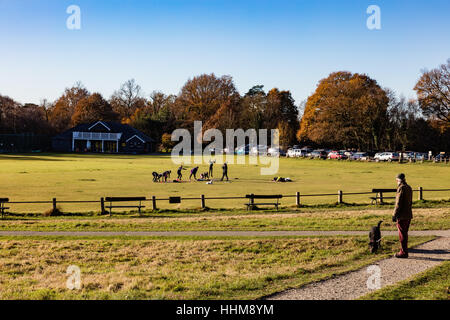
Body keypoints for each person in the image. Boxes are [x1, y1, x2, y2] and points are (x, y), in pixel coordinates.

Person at [392, 173, 413, 259]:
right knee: (405, 233)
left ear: (398, 180)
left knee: (402, 234)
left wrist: (394, 214)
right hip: (408, 213)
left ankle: (403, 252)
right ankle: (404, 250)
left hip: (402, 215)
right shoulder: (409, 187)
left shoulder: (401, 188)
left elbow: (398, 203)